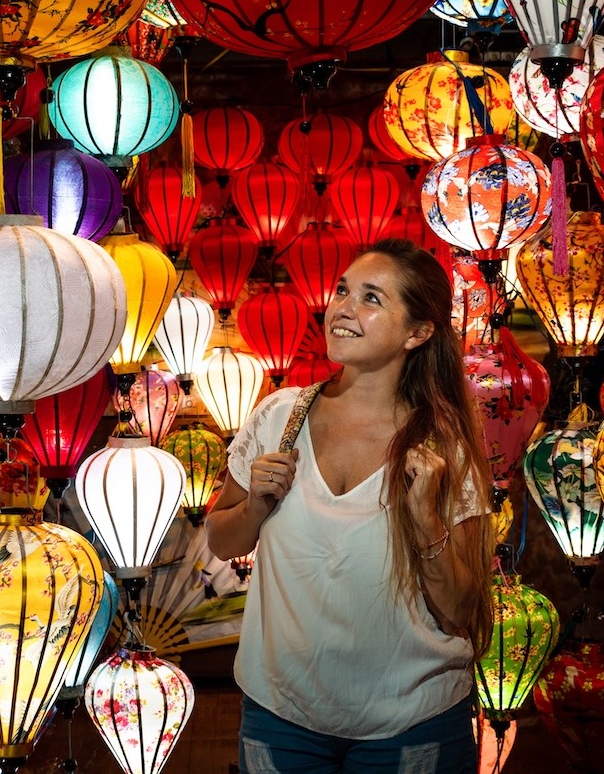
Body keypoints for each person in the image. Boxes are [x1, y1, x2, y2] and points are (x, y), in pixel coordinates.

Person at [207, 239, 495, 774]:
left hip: (413, 718)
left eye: (371, 298)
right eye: (342, 290)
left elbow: (462, 611)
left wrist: (427, 518)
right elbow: (222, 541)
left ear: (418, 332)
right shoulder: (278, 416)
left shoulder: (442, 445)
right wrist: (254, 509)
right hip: (281, 711)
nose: (343, 307)